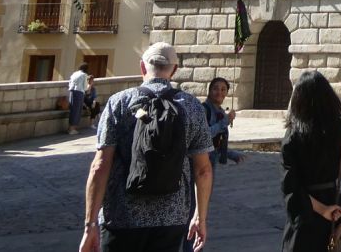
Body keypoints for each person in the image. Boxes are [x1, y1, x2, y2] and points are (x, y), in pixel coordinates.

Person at [80, 42, 212, 252]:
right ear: (174, 70)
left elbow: (100, 165)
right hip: (172, 217)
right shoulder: (192, 106)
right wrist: (200, 217)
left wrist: (90, 224)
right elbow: (203, 170)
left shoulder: (119, 103)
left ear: (142, 67)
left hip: (121, 216)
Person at [282, 70, 341, 252]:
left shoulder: (292, 138)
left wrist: (322, 209)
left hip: (305, 215)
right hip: (334, 211)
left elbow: (290, 188)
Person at [204, 77, 242, 167]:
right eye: (215, 89)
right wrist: (224, 122)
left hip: (211, 161)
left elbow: (217, 142)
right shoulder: (204, 110)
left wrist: (233, 155)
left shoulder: (220, 112)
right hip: (201, 162)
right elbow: (205, 136)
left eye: (223, 89)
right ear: (209, 91)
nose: (219, 92)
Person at [68, 61, 92, 133]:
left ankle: (70, 128)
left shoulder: (74, 73)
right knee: (77, 110)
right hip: (79, 93)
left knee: (72, 110)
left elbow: (70, 83)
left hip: (72, 92)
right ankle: (72, 129)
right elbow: (85, 87)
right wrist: (89, 86)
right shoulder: (84, 75)